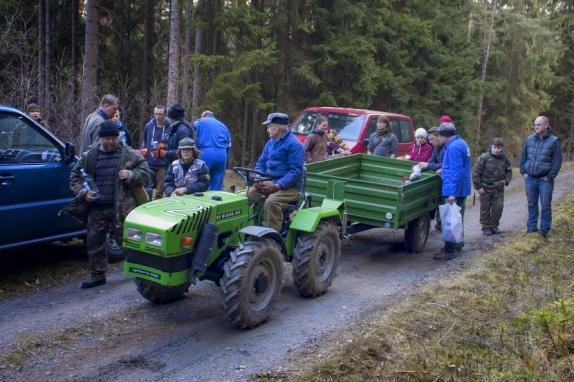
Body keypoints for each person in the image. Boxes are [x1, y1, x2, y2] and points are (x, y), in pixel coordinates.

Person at [69, 121, 149, 289]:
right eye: (108, 139)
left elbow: (146, 174)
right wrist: (83, 193)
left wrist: (131, 174)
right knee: (94, 241)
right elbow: (74, 176)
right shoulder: (89, 155)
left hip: (122, 207)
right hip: (97, 207)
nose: (112, 142)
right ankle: (97, 275)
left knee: (128, 242)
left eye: (114, 138)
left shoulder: (129, 154)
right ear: (100, 138)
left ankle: (140, 273)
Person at [248, 112, 305, 232]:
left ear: (278, 127)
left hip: (290, 187)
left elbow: (295, 171)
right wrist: (258, 177)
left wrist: (277, 185)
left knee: (271, 202)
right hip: (269, 181)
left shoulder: (295, 145)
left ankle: (272, 237)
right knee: (249, 195)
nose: (267, 129)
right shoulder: (270, 143)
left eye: (269, 126)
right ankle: (249, 227)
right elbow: (261, 163)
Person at [433, 122, 471, 260]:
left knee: (450, 219)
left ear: (444, 136)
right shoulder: (461, 143)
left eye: (439, 135)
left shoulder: (453, 147)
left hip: (455, 189)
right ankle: (458, 244)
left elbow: (456, 171)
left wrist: (452, 194)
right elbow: (457, 167)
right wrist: (445, 169)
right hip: (461, 187)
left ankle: (449, 249)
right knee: (458, 217)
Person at [519, 116, 562, 237]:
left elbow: (557, 161)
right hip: (530, 178)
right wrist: (523, 171)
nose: (536, 127)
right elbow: (523, 156)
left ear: (546, 126)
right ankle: (532, 228)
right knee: (531, 203)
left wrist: (550, 176)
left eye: (538, 124)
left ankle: (544, 230)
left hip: (545, 180)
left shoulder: (554, 141)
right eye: (535, 124)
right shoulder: (529, 139)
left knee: (545, 205)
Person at [472, 138, 512, 236]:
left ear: (502, 148)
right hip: (485, 188)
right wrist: (478, 187)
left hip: (499, 189)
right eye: (494, 147)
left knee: (498, 208)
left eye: (499, 148)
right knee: (485, 209)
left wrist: (506, 181)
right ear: (491, 147)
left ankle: (494, 226)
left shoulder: (504, 159)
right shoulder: (484, 157)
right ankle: (485, 227)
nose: (496, 150)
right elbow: (476, 172)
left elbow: (509, 170)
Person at [193, 110, 231, 190]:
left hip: (205, 153)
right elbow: (229, 145)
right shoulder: (223, 126)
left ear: (203, 116)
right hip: (222, 154)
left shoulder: (199, 122)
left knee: (200, 181)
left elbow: (193, 139)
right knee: (217, 185)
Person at [141, 105, 170, 199]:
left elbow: (173, 143)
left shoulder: (169, 127)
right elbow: (145, 141)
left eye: (160, 114)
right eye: (156, 114)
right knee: (147, 188)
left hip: (163, 163)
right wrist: (144, 149)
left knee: (159, 191)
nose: (157, 116)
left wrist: (165, 146)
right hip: (150, 162)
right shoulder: (149, 126)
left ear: (165, 115)